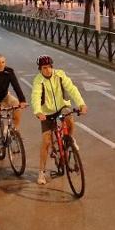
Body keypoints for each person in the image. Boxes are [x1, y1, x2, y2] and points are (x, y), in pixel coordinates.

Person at [30, 55, 86, 186]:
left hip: (62, 106)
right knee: (46, 141)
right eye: (44, 68)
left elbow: (72, 89)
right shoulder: (38, 80)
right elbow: (35, 96)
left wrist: (81, 104)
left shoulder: (60, 75)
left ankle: (70, 139)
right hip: (46, 112)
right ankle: (41, 172)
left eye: (49, 67)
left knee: (69, 117)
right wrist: (38, 111)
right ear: (40, 69)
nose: (47, 70)